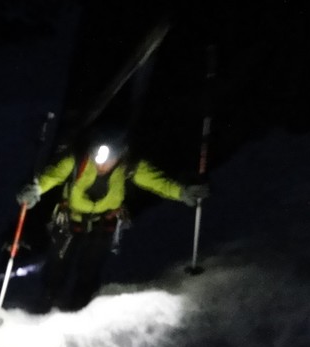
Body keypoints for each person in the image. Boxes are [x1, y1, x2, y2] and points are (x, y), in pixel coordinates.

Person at [15, 129, 209, 312]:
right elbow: (52, 176)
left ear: (119, 154)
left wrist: (182, 192)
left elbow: (158, 182)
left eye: (107, 160)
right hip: (69, 222)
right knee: (57, 266)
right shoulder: (76, 160)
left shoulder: (129, 166)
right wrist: (36, 190)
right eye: (96, 158)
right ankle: (48, 302)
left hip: (102, 225)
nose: (101, 165)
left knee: (90, 269)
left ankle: (80, 307)